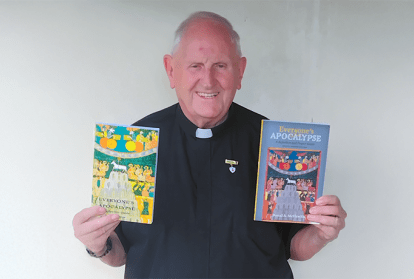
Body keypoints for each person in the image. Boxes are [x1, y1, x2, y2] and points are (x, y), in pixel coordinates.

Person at [73, 11, 347, 278]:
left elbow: (293, 247)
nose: (208, 80)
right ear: (171, 70)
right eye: (195, 66)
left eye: (220, 66)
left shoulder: (275, 145)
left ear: (240, 71)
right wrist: (97, 243)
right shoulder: (133, 147)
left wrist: (322, 233)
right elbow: (119, 253)